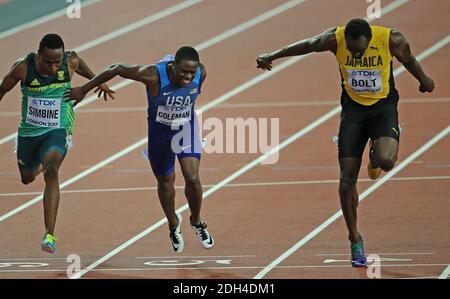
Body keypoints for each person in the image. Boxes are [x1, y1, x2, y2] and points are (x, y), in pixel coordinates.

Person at [256, 19, 435, 267]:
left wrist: (424, 80)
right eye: (351, 50)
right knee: (346, 181)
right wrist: (272, 55)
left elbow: (409, 60)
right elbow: (307, 45)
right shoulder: (335, 39)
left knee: (387, 161)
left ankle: (376, 153)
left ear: (370, 39)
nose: (355, 55)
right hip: (353, 113)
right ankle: (355, 239)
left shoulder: (391, 39)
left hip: (383, 108)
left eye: (360, 50)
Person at [65, 46, 214, 253]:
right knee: (165, 182)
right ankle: (173, 224)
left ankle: (196, 221)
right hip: (160, 135)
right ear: (172, 68)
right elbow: (116, 68)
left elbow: (192, 84)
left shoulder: (201, 73)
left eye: (192, 72)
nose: (189, 76)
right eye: (184, 72)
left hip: (185, 129)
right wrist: (84, 89)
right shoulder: (153, 76)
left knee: (193, 178)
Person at [0, 33, 113, 253]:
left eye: (57, 62)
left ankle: (49, 234)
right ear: (38, 55)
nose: (53, 67)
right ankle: (39, 164)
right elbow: (2, 90)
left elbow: (78, 63)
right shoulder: (23, 68)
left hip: (58, 129)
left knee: (52, 170)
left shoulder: (68, 61)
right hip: (29, 133)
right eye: (48, 62)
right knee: (27, 178)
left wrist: (98, 81)